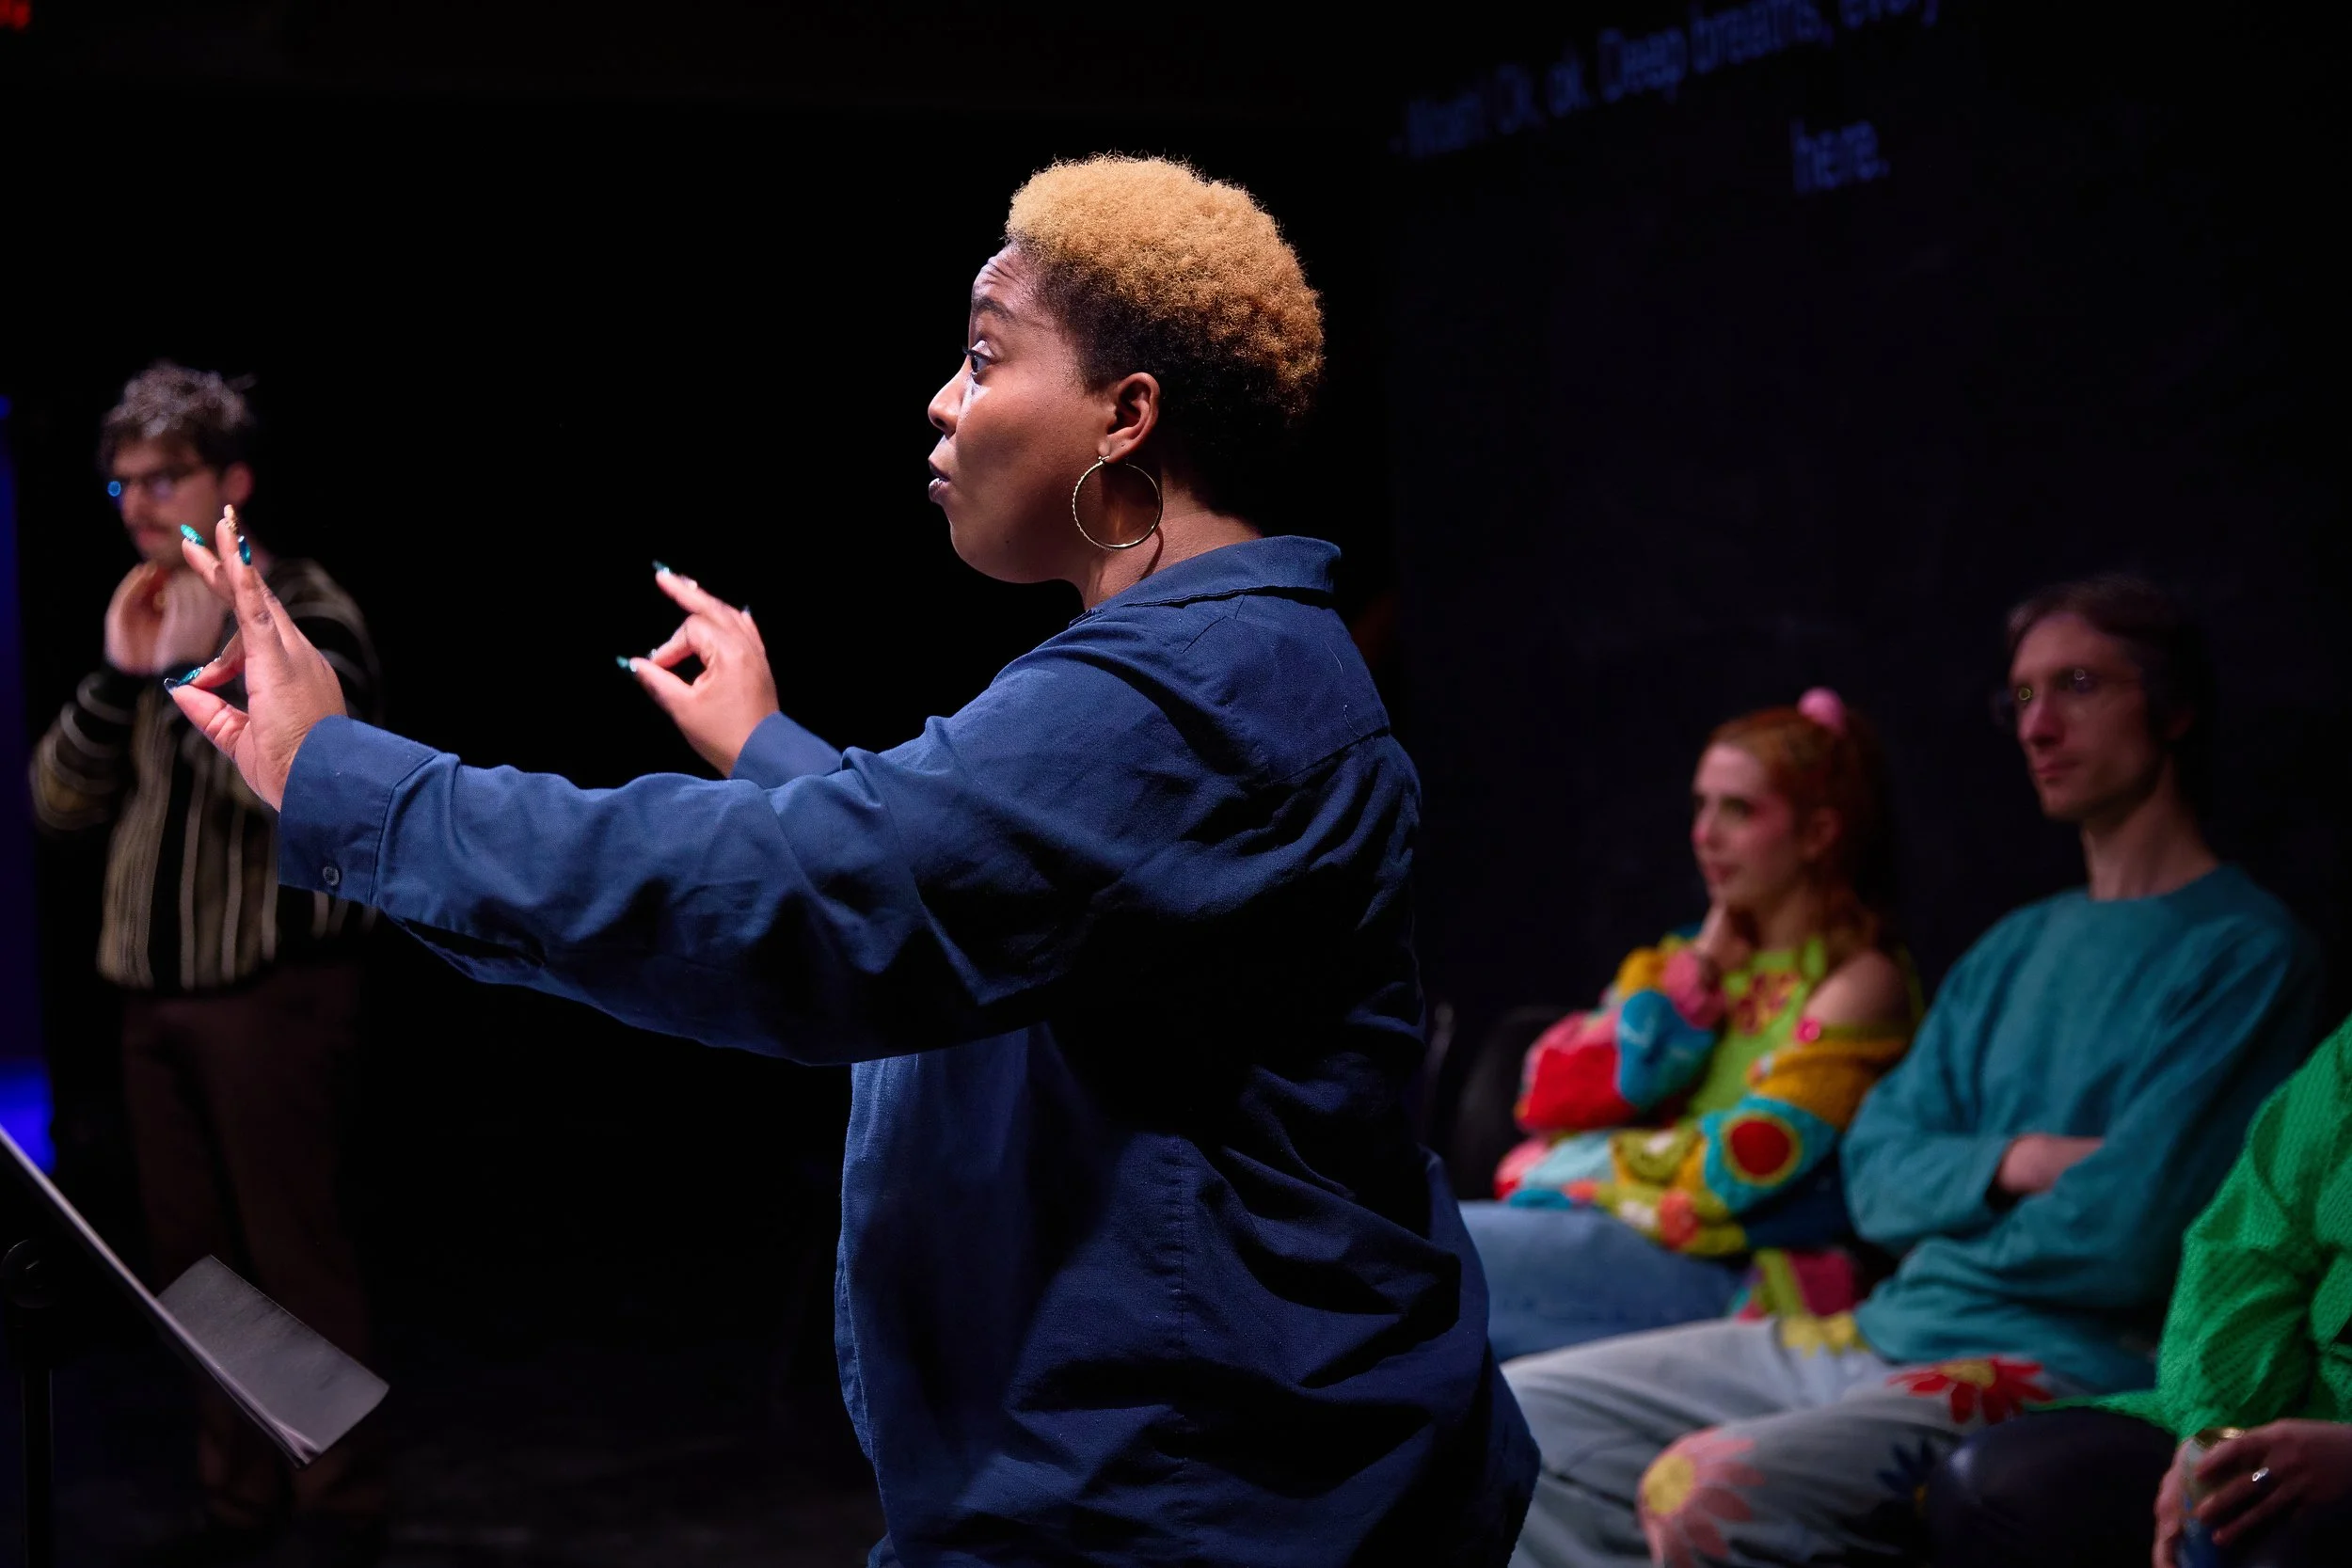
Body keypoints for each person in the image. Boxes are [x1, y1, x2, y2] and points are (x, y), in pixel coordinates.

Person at [155, 157, 1535, 1566]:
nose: (943, 398)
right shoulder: (1212, 670)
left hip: (1195, 1509)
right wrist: (768, 750)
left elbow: (822, 902)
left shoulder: (1200, 689)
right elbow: (1013, 900)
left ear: (1126, 417)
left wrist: (345, 780)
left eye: (986, 356)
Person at [1499, 575, 2321, 1568]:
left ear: (2174, 708)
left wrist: (1956, 1201)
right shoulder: (2011, 948)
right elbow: (1874, 1173)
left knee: (1710, 1487)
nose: (2038, 725)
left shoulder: (2244, 953)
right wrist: (2013, 1160)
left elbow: (2130, 1235)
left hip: (2060, 1360)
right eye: (2019, 696)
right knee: (1514, 1420)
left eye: (2076, 685)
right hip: (1880, 1325)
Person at [28, 363, 385, 1565]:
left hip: (268, 990)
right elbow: (56, 799)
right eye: (122, 480)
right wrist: (120, 677)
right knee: (193, 1262)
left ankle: (338, 1503)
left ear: (229, 480)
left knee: (293, 1249)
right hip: (153, 991)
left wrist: (225, 639)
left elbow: (335, 753)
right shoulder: (137, 605)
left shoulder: (299, 602)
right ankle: (239, 1497)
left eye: (163, 476)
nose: (136, 502)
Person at [1462, 690, 1915, 1360]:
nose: (1705, 834)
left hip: (1743, 1275)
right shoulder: (1683, 965)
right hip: (1638, 1236)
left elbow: (1741, 1169)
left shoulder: (1858, 982)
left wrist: (1579, 1167)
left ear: (1818, 833)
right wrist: (1683, 998)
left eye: (1739, 809)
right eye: (1701, 805)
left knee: (1431, 1260)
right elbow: (1547, 1093)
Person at [1926, 1012, 2352, 1568]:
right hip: (2276, 1404)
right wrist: (2214, 1437)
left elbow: (2121, 1235)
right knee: (1995, 1488)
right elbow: (2247, 1249)